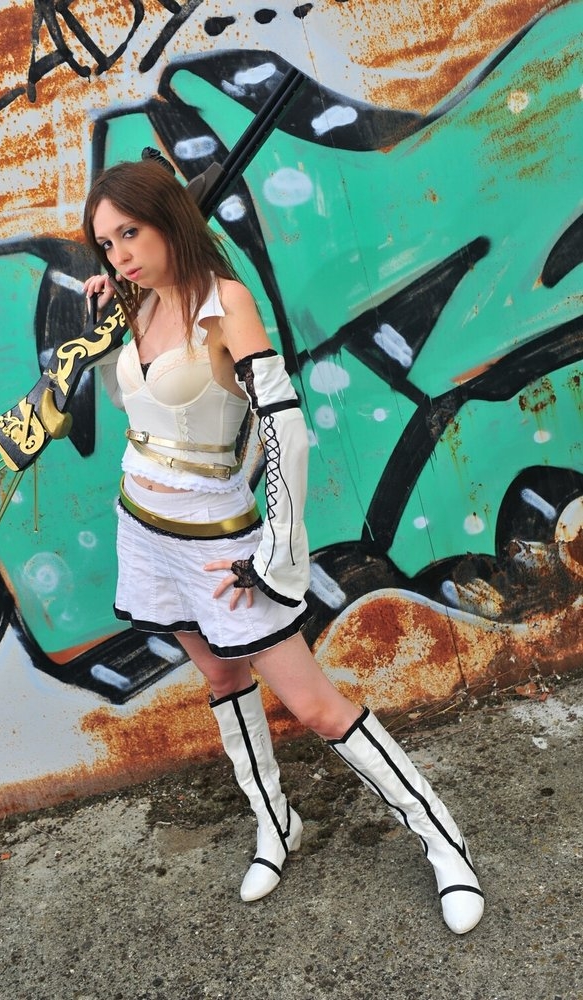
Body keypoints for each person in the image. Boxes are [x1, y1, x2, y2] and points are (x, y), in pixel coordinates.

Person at [81, 157, 484, 935]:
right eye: (105, 243)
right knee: (221, 676)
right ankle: (275, 823)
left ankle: (444, 841)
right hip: (145, 529)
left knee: (315, 706)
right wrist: (100, 306)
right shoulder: (134, 302)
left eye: (130, 232)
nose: (120, 253)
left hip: (216, 539)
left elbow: (284, 430)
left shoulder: (223, 303)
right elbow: (139, 403)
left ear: (168, 219)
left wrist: (275, 552)